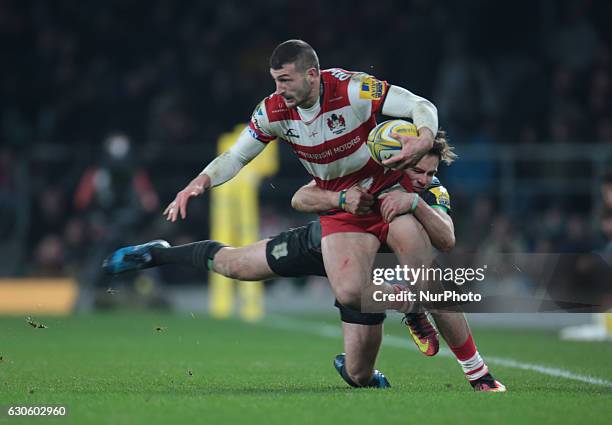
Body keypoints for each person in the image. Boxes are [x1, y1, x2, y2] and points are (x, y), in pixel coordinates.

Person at [104, 137, 506, 392]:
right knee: (235, 266)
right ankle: (158, 252)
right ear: (400, 158)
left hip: (370, 279)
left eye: (431, 172)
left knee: (362, 376)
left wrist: (416, 201)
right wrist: (340, 201)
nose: (423, 177)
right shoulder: (367, 171)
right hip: (328, 246)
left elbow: (448, 238)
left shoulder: (428, 193)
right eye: (417, 169)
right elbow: (300, 197)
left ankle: (450, 351)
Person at [162, 39, 438, 316]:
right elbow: (236, 156)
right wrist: (200, 181)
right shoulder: (272, 111)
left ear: (312, 74)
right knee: (352, 296)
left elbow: (420, 105)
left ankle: (470, 359)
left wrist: (424, 138)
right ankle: (409, 306)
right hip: (339, 208)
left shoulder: (354, 87)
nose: (279, 89)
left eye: (285, 80)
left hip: (387, 191)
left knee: (432, 288)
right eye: (275, 81)